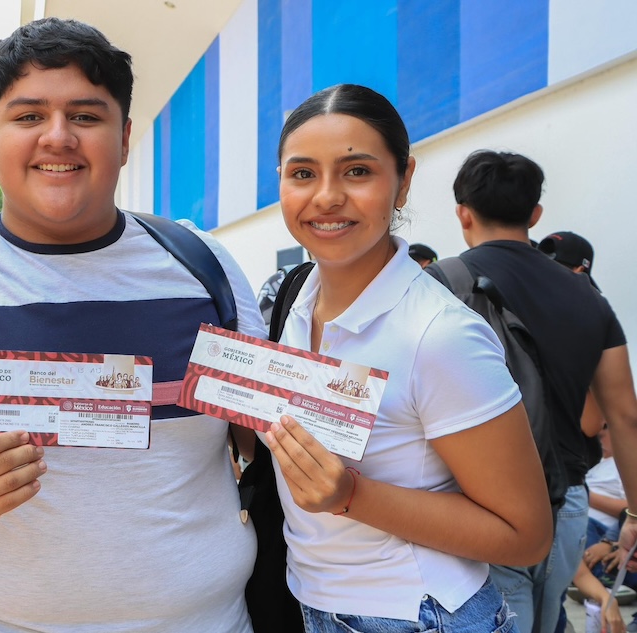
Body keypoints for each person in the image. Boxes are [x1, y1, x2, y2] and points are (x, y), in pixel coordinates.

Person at [0, 17, 266, 633]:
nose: (58, 137)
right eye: (28, 116)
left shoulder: (203, 267)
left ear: (124, 138)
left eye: (85, 116)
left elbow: (259, 432)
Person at [263, 84, 552, 632]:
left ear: (404, 180)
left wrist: (351, 494)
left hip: (419, 615)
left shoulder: (440, 335)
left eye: (357, 171)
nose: (326, 196)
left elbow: (526, 535)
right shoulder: (295, 303)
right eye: (302, 173)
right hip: (316, 601)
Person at [450, 150, 637, 633]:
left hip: (481, 501)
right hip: (567, 500)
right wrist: (635, 514)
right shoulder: (588, 297)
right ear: (535, 214)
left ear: (463, 213)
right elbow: (625, 416)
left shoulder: (442, 286)